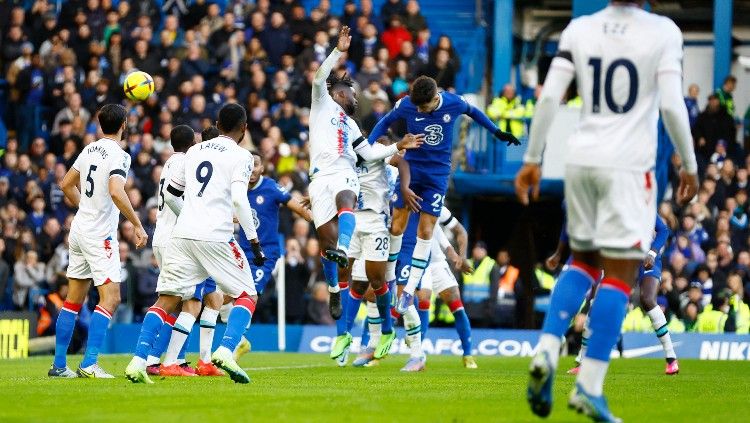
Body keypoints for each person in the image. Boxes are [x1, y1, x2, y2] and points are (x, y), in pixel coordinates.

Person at [514, 2, 699, 421]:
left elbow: (549, 97)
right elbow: (672, 106)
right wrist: (689, 164)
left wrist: (532, 157)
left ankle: (546, 350)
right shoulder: (663, 31)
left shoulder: (580, 28)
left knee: (582, 261)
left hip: (580, 159)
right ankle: (589, 387)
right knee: (619, 273)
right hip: (629, 166)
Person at [125, 103, 265, 384]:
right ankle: (225, 350)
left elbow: (172, 192)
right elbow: (239, 199)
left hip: (183, 235)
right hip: (215, 236)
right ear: (244, 128)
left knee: (166, 300)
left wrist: (190, 213)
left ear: (217, 123)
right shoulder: (242, 156)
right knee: (247, 294)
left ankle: (138, 361)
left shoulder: (194, 151)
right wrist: (254, 240)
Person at [369, 75, 518, 319]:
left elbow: (474, 112)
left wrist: (497, 131)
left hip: (437, 176)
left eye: (423, 107)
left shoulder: (453, 102)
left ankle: (407, 290)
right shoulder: (406, 103)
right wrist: (366, 147)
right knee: (397, 226)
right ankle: (390, 276)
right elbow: (383, 123)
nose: (418, 110)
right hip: (412, 170)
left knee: (426, 232)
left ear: (435, 97)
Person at [306, 25, 423, 322]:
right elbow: (319, 77)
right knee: (325, 242)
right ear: (338, 92)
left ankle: (344, 249)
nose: (355, 97)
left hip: (344, 173)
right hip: (319, 178)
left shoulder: (353, 125)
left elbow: (369, 154)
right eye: (352, 93)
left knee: (347, 201)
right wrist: (338, 51)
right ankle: (334, 288)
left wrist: (398, 145)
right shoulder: (321, 104)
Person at [49, 104, 148, 379]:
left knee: (73, 300)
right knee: (112, 297)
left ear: (100, 124)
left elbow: (66, 184)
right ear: (124, 125)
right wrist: (137, 224)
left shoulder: (89, 149)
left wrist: (85, 209)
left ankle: (59, 365)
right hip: (99, 234)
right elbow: (116, 191)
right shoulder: (120, 155)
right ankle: (89, 363)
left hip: (80, 230)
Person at [142, 125, 226, 378]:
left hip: (171, 236)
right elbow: (171, 196)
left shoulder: (172, 162)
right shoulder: (185, 162)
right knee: (179, 301)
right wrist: (192, 218)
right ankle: (152, 359)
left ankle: (177, 359)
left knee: (194, 300)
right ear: (192, 143)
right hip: (176, 238)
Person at [569, 216, 680, 376]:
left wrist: (653, 252)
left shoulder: (641, 199)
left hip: (646, 258)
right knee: (597, 304)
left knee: (647, 300)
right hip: (621, 260)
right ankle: (582, 360)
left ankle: (671, 358)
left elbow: (663, 230)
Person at [230, 151, 313, 359]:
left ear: (262, 168)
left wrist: (316, 219)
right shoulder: (235, 188)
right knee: (225, 296)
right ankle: (239, 340)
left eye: (255, 164)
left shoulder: (271, 187)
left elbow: (297, 206)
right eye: (248, 165)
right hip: (240, 251)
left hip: (265, 254)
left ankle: (234, 342)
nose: (251, 169)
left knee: (250, 292)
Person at [390, 206, 475, 371]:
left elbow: (457, 232)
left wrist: (460, 257)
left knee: (456, 303)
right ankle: (417, 355)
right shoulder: (403, 207)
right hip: (419, 263)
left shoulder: (437, 206)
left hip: (437, 263)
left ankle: (468, 354)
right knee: (423, 299)